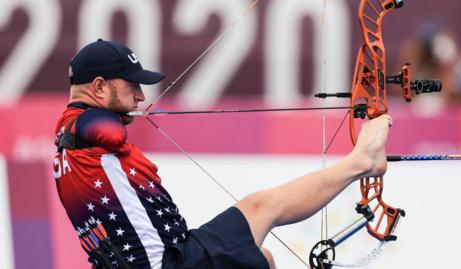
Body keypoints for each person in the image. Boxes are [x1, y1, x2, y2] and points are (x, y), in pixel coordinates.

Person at [52, 39, 393, 269]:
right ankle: (361, 161)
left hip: (175, 256)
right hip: (171, 264)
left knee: (263, 259)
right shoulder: (86, 125)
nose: (141, 97)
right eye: (132, 86)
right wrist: (111, 121)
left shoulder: (68, 145)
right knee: (261, 206)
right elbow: (104, 130)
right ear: (98, 87)